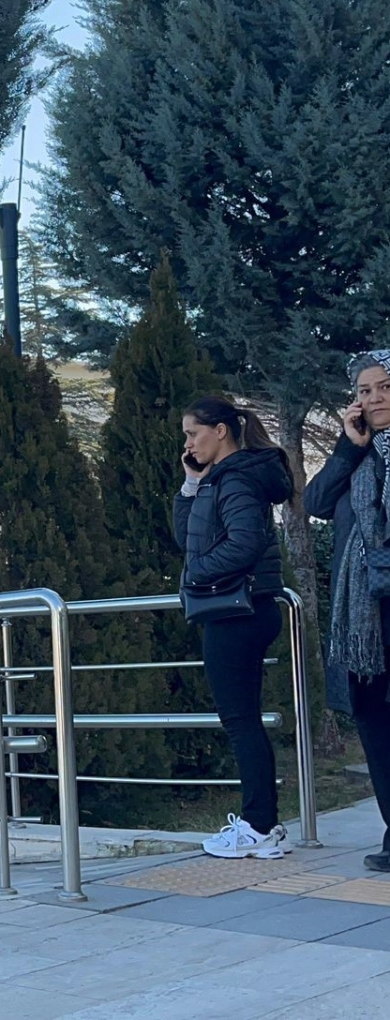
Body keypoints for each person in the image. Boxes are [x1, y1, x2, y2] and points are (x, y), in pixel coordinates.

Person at [175, 395, 294, 859]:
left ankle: (258, 827)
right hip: (242, 610)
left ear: (220, 430)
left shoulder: (237, 478)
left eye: (193, 433)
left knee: (240, 721)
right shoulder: (220, 477)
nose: (188, 443)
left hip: (236, 612)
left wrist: (195, 574)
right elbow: (185, 537)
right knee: (243, 720)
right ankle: (263, 824)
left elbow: (245, 544)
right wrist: (190, 483)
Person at [306, 350, 390, 872]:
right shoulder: (357, 455)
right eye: (364, 390)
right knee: (374, 720)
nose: (374, 398)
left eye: (384, 387)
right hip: (365, 619)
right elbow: (315, 501)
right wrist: (347, 447)